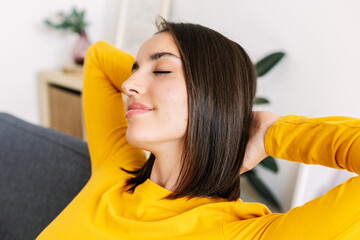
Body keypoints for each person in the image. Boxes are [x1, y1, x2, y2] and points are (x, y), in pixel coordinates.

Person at [37, 20, 360, 239]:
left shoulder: (246, 233)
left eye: (162, 69)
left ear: (211, 95)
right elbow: (98, 59)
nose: (129, 84)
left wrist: (273, 132)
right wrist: (157, 80)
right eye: (135, 69)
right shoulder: (115, 171)